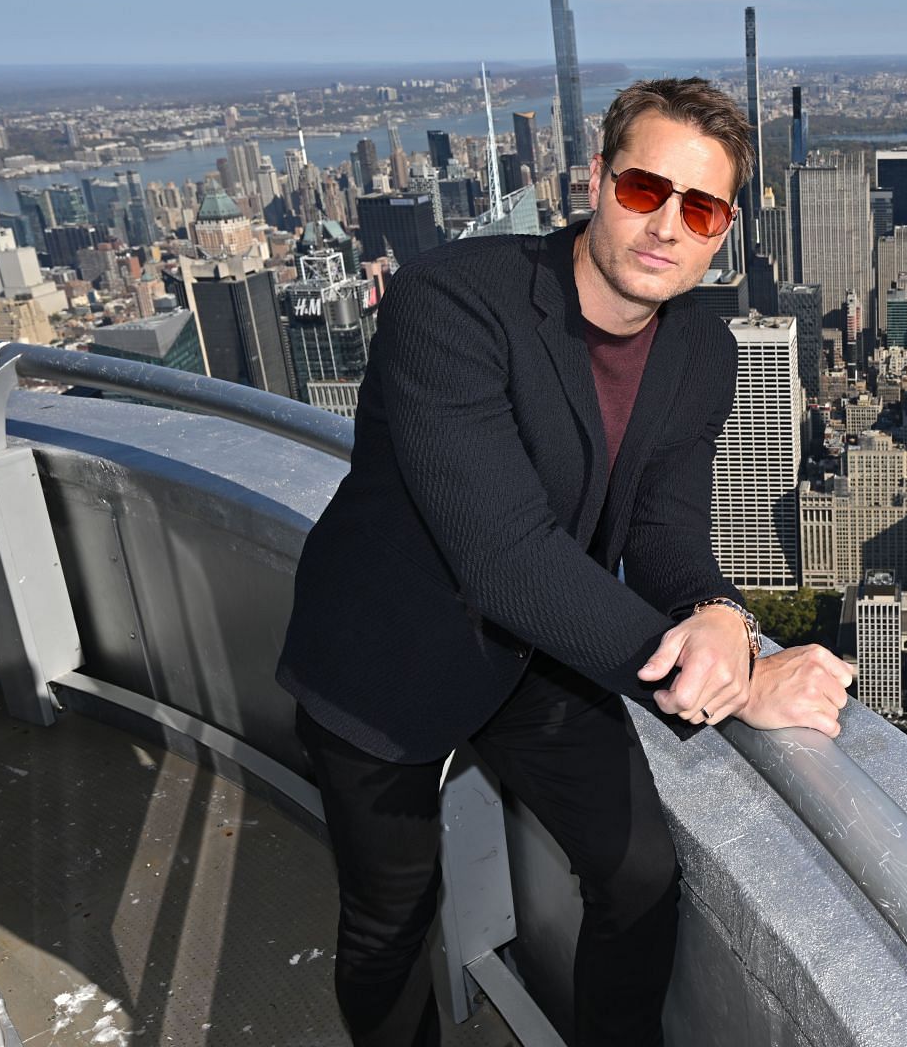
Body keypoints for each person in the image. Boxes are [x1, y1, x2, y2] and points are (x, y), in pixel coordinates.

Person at [275, 77, 853, 1046]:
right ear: (596, 179)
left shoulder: (703, 349)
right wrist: (740, 680)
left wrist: (715, 607)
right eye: (644, 189)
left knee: (637, 875)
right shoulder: (451, 302)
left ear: (725, 231)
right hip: (386, 652)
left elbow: (663, 528)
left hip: (533, 653)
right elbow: (504, 556)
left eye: (700, 206)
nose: (668, 224)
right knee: (389, 919)